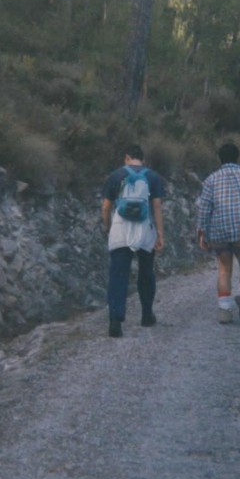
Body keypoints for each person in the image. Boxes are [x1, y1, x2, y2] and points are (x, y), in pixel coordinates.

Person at [196, 143, 240, 324]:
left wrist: (202, 233)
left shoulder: (211, 180)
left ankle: (224, 312)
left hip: (219, 232)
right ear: (238, 157)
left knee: (223, 271)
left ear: (219, 158)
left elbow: (204, 208)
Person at [101, 144, 166, 338]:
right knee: (146, 272)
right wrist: (160, 234)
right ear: (142, 159)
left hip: (121, 228)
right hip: (144, 229)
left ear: (127, 157)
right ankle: (147, 315)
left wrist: (108, 226)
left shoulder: (115, 176)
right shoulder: (153, 177)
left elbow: (105, 207)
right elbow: (156, 207)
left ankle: (115, 319)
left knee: (118, 274)